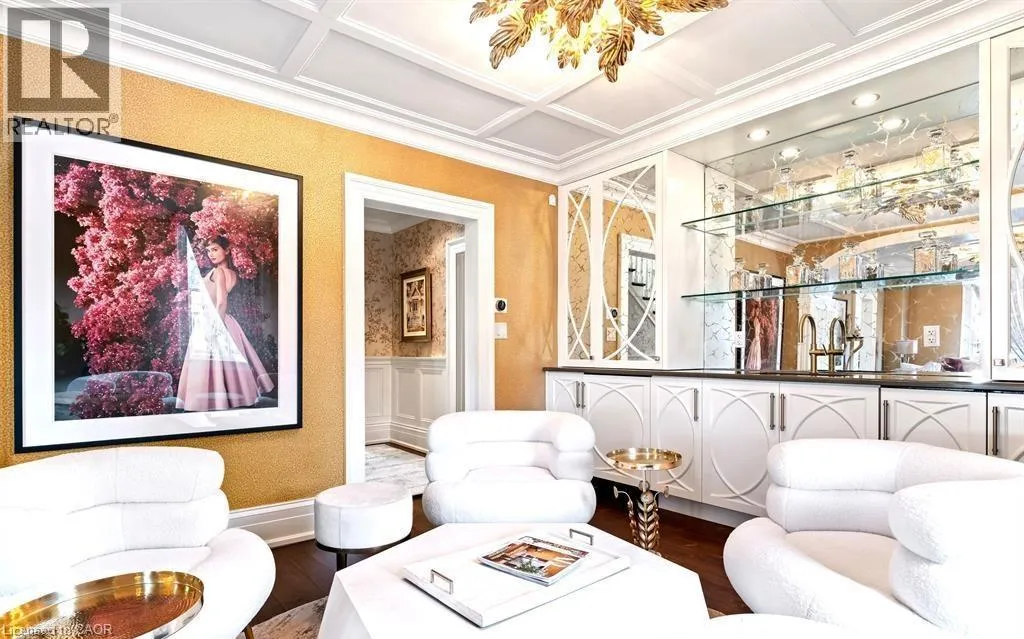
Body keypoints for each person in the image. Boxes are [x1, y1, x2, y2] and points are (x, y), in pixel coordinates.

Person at [177, 235, 274, 411]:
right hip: (228, 321)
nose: (211, 254)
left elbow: (221, 302)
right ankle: (234, 400)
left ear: (226, 250)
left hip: (213, 320)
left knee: (209, 366)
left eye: (215, 249)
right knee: (229, 365)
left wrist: (215, 327)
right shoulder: (233, 274)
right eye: (208, 251)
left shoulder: (218, 272)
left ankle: (211, 403)